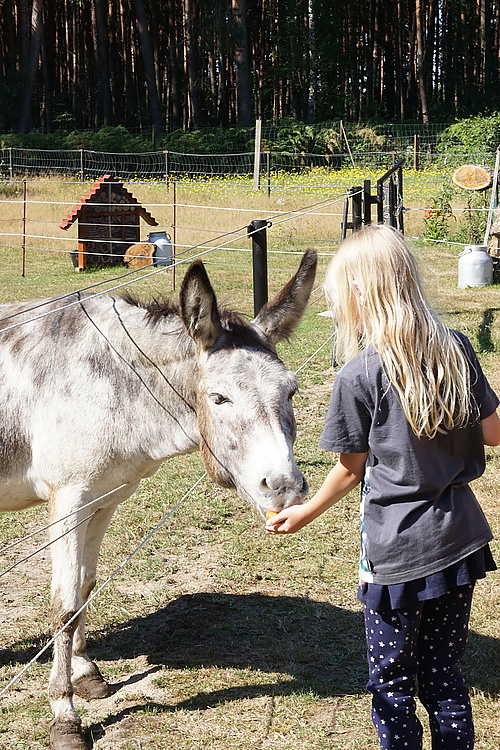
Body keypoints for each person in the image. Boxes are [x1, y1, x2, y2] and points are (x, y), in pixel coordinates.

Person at [266, 224, 500, 750]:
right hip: (460, 540)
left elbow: (351, 468)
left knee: (391, 683)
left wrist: (304, 512)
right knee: (444, 675)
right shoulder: (456, 349)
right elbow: (494, 432)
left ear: (358, 293)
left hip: (395, 555)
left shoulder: (359, 375)